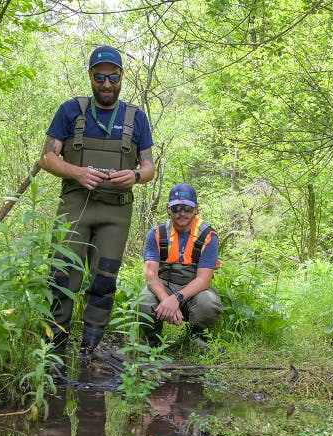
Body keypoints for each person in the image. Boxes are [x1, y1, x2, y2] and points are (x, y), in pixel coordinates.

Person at [40, 45, 155, 357]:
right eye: (100, 77)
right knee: (62, 277)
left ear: (121, 78)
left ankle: (89, 348)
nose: (107, 84)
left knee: (104, 280)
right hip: (75, 205)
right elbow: (47, 158)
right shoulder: (70, 111)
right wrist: (77, 172)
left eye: (113, 77)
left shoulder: (137, 118)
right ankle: (54, 348)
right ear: (90, 76)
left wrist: (135, 176)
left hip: (116, 212)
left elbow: (149, 167)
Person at [137, 183, 222, 348]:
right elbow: (150, 275)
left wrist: (177, 299)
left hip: (195, 290)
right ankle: (151, 341)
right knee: (145, 299)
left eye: (187, 208)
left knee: (208, 303)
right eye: (176, 208)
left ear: (196, 209)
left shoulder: (208, 236)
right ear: (168, 209)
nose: (182, 213)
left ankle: (198, 341)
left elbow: (203, 280)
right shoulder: (155, 234)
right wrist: (167, 301)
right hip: (165, 287)